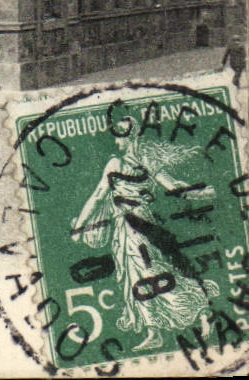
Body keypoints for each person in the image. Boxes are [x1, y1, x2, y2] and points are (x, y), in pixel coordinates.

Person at [71, 115, 220, 352]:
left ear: (132, 136)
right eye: (116, 135)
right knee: (133, 276)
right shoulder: (114, 163)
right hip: (123, 229)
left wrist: (201, 192)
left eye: (121, 135)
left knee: (154, 273)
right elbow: (98, 196)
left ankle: (201, 311)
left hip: (140, 224)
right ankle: (154, 332)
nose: (117, 141)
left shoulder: (144, 161)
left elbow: (172, 187)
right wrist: (80, 223)